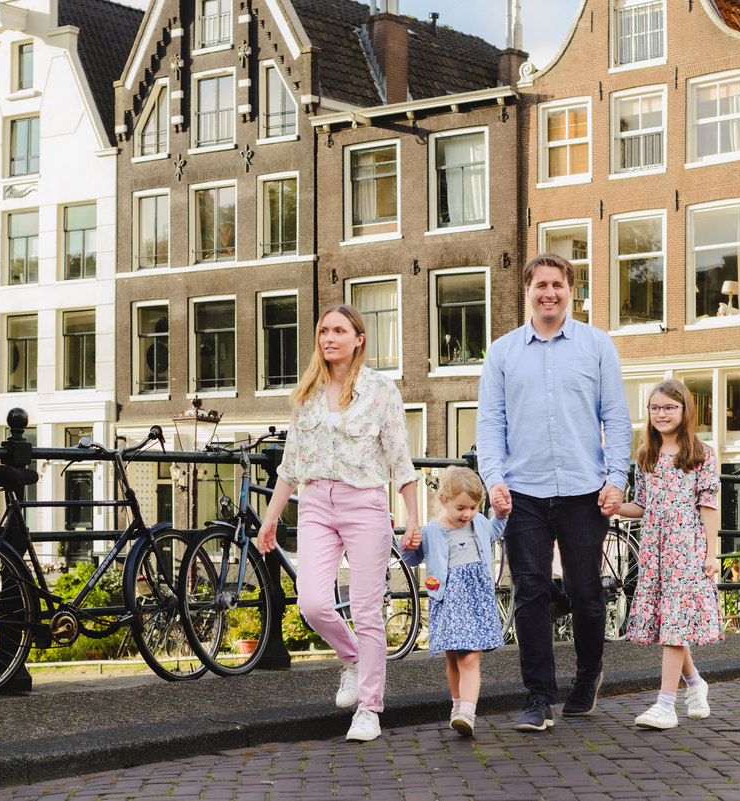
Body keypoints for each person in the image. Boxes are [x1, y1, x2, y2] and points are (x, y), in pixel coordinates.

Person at [476, 252, 632, 731]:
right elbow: (490, 423)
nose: (549, 293)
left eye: (557, 285)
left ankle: (587, 677)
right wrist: (494, 480)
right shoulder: (502, 353)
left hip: (585, 490)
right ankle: (539, 697)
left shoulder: (597, 345)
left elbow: (616, 417)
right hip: (522, 491)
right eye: (540, 285)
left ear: (571, 291)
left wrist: (616, 479)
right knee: (529, 593)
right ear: (527, 291)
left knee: (586, 591)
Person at [258, 304, 421, 743]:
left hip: (364, 503)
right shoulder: (307, 393)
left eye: (339, 331)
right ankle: (351, 658)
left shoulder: (381, 390)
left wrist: (412, 518)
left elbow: (399, 458)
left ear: (358, 339)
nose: (329, 338)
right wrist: (270, 520)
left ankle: (369, 709)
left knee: (367, 610)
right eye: (324, 331)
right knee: (312, 602)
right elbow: (290, 465)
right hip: (315, 504)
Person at [617, 378, 723, 730]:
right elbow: (642, 505)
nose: (661, 414)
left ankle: (665, 705)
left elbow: (708, 505)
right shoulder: (645, 455)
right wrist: (613, 508)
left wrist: (711, 554)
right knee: (670, 624)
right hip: (655, 550)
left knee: (674, 623)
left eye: (669, 407)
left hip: (686, 548)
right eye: (655, 408)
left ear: (684, 410)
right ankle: (695, 682)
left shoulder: (701, 454)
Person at [398, 467, 507, 738]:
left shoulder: (479, 522)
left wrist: (502, 514)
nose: (467, 514)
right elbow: (413, 559)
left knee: (469, 659)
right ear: (443, 500)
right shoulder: (432, 530)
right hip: (447, 601)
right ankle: (457, 707)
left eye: (473, 507)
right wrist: (407, 545)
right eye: (460, 507)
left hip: (476, 600)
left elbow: (493, 532)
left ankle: (467, 713)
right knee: (454, 660)